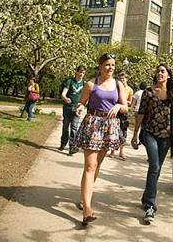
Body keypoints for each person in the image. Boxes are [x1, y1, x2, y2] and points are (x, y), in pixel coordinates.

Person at [74, 53, 128, 226]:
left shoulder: (118, 84)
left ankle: (84, 197)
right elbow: (82, 102)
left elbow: (126, 107)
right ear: (100, 66)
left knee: (96, 165)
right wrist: (80, 107)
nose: (110, 68)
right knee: (90, 166)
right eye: (107, 65)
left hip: (109, 126)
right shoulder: (91, 84)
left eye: (112, 65)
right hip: (93, 125)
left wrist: (119, 105)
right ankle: (87, 209)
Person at [131, 63, 173, 225]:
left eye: (163, 71)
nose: (160, 73)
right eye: (158, 71)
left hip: (166, 136)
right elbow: (141, 113)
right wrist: (135, 133)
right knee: (154, 166)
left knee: (157, 168)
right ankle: (150, 205)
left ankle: (146, 196)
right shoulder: (148, 92)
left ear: (168, 75)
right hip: (149, 133)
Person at [59, 65, 86, 155]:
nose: (81, 74)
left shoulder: (84, 84)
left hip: (77, 109)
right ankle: (63, 143)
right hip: (67, 107)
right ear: (76, 72)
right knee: (65, 126)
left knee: (74, 128)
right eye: (80, 72)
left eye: (83, 72)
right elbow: (64, 93)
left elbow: (86, 97)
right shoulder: (70, 81)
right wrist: (65, 98)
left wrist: (82, 105)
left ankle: (72, 147)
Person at [110, 71, 133, 160]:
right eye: (120, 78)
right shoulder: (115, 88)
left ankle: (121, 152)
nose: (122, 80)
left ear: (126, 79)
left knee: (123, 132)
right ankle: (112, 151)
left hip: (123, 113)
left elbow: (130, 103)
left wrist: (124, 101)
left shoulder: (129, 90)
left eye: (123, 78)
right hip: (114, 112)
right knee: (113, 131)